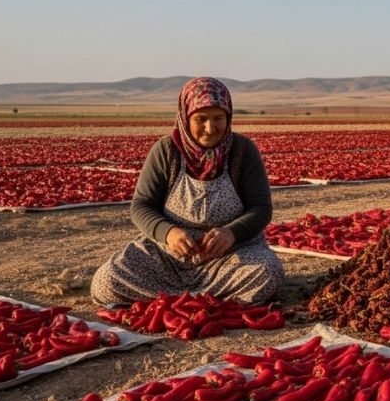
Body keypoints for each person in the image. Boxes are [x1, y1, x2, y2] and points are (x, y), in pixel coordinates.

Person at [91, 76, 284, 306]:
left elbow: (261, 208)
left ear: (229, 117)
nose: (210, 128)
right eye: (200, 119)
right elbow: (141, 206)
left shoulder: (243, 151)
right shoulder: (166, 151)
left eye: (218, 118)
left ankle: (176, 300)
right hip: (169, 258)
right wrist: (168, 232)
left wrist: (231, 233)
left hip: (229, 256)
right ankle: (203, 300)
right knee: (107, 280)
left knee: (268, 272)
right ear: (185, 117)